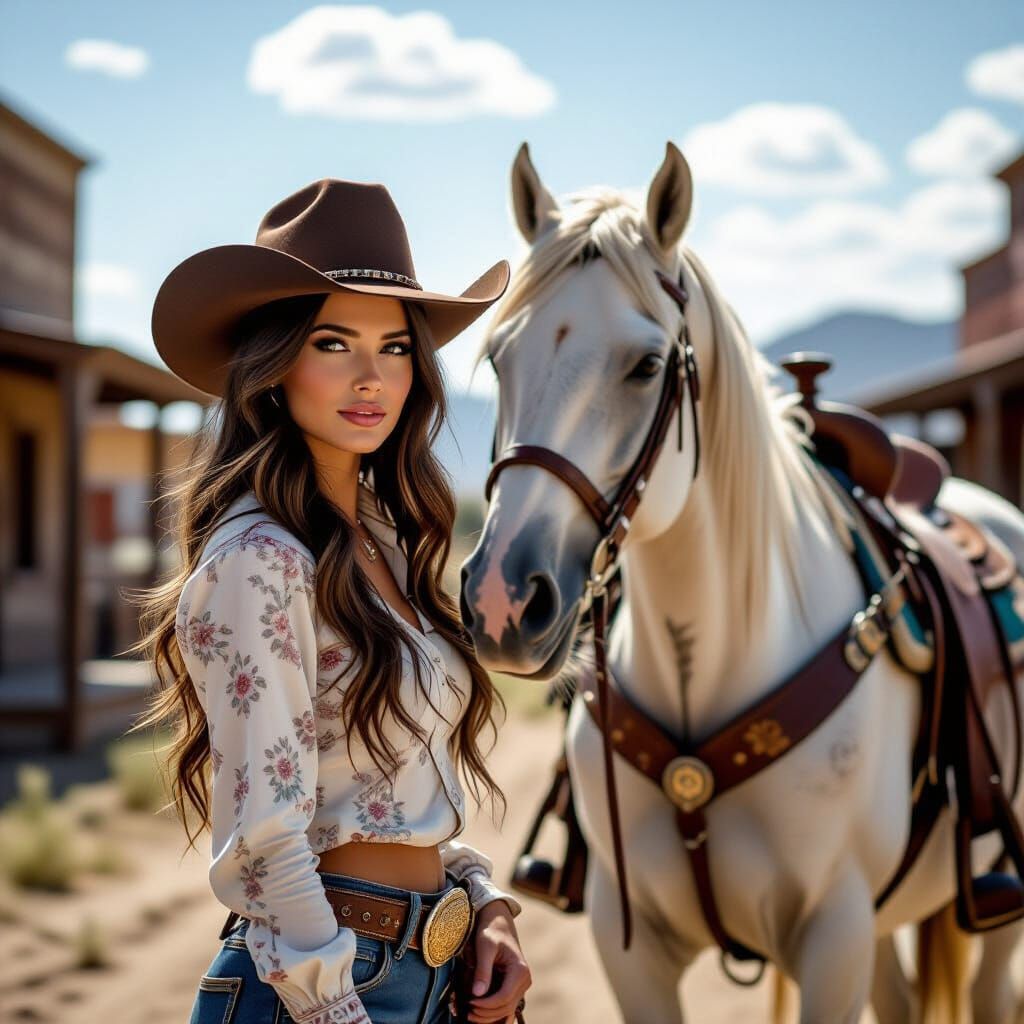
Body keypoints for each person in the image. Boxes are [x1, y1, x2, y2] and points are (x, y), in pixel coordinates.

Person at [130, 179, 530, 1024]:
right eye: (332, 342)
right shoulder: (260, 563)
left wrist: (479, 898)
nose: (370, 378)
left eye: (393, 348)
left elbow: (392, 788)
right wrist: (337, 1012)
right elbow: (268, 842)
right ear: (273, 367)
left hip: (430, 967)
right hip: (318, 992)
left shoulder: (384, 541)